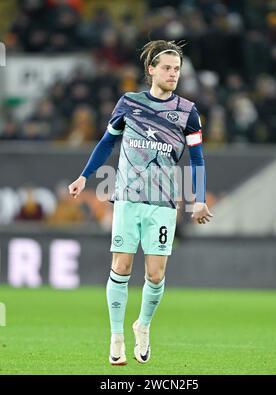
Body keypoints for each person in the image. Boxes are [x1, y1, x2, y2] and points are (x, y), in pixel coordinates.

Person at [68, 40, 213, 365]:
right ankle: (116, 337)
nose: (173, 74)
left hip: (163, 204)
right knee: (120, 267)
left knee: (156, 275)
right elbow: (107, 142)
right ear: (151, 69)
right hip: (128, 200)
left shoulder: (188, 112)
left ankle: (142, 326)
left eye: (177, 69)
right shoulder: (129, 102)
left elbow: (197, 158)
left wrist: (199, 199)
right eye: (167, 68)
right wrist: (84, 176)